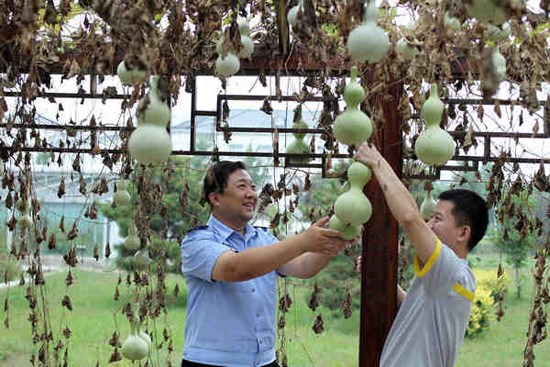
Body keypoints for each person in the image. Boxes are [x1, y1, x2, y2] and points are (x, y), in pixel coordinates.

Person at [180, 160, 352, 367]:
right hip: (212, 363)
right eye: (241, 186)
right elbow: (236, 268)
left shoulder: (264, 239)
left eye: (253, 187)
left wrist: (331, 243)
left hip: (264, 361)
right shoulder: (197, 242)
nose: (252, 194)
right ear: (215, 198)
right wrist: (304, 241)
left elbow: (304, 267)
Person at [354, 142, 489, 367]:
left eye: (437, 218)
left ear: (463, 233)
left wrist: (376, 161)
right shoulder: (446, 277)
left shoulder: (451, 270)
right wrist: (384, 283)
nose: (428, 224)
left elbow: (410, 218)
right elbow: (417, 308)